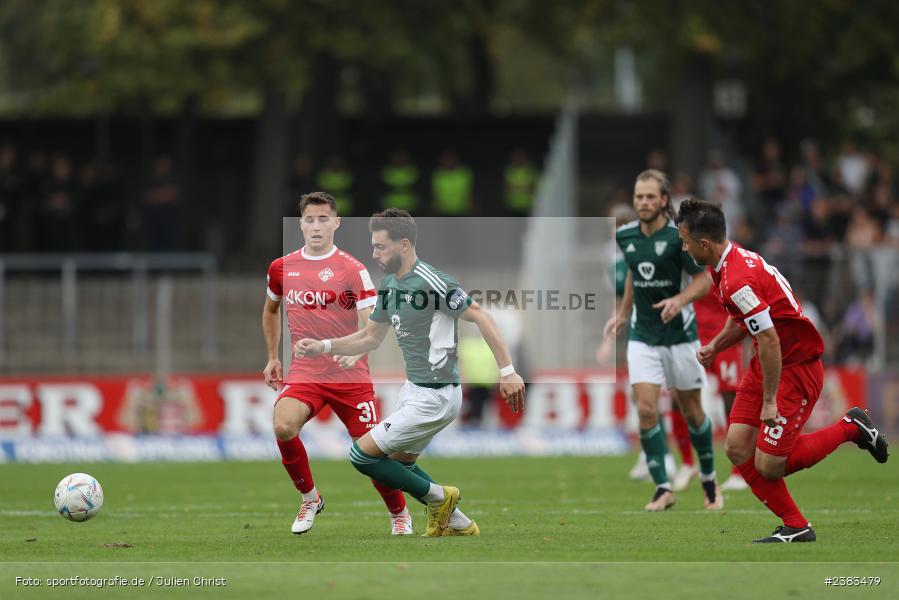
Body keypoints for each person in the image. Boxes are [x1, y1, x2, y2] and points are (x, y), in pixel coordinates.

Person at [294, 208, 525, 536]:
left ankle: (440, 498)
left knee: (362, 456)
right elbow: (370, 337)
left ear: (404, 244)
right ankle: (459, 522)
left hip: (436, 394)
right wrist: (325, 347)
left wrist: (508, 371)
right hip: (415, 390)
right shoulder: (389, 284)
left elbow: (482, 318)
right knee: (399, 466)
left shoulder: (432, 281)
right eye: (373, 246)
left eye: (381, 247)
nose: (374, 254)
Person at [676, 198, 889, 543]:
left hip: (794, 367)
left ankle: (851, 428)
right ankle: (796, 525)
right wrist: (717, 345)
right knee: (736, 446)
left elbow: (771, 338)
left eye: (685, 240)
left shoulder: (735, 279)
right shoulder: (726, 264)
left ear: (704, 243)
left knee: (770, 464)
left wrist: (770, 401)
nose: (683, 247)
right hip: (768, 361)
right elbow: (745, 317)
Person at [262, 192, 409, 536]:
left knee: (370, 455)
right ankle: (310, 498)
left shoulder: (352, 269)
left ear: (336, 223)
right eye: (310, 219)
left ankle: (399, 512)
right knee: (283, 425)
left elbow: (372, 321)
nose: (316, 226)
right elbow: (271, 310)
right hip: (306, 373)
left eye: (323, 219)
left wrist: (358, 350)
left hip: (349, 374)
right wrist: (271, 356)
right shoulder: (281, 267)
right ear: (301, 224)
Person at [603, 170, 722, 512]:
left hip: (680, 335)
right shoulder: (625, 236)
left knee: (692, 411)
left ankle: (709, 480)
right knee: (645, 408)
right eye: (639, 196)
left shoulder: (678, 237)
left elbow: (703, 282)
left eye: (650, 197)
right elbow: (633, 276)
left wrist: (679, 301)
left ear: (664, 201)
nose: (643, 202)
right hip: (643, 337)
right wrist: (624, 313)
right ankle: (663, 487)